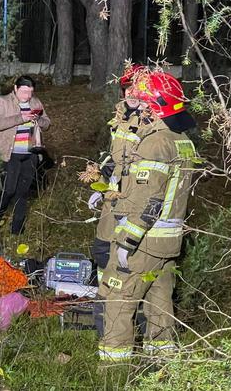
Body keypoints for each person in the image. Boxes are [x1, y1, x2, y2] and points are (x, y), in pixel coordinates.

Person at [98, 70, 197, 361]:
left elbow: (148, 200)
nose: (137, 109)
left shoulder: (155, 144)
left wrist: (127, 241)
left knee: (118, 301)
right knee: (159, 304)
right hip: (168, 243)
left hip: (144, 242)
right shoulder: (182, 141)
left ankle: (114, 371)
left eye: (142, 104)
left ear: (154, 107)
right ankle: (162, 365)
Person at [89, 65, 143, 337]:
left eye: (137, 88)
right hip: (112, 195)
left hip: (133, 200)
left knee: (127, 257)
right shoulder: (120, 117)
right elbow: (115, 158)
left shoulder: (150, 121)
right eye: (127, 88)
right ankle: (104, 311)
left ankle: (128, 319)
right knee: (101, 249)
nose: (132, 93)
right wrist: (102, 181)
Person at [0, 75, 50, 235]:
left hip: (30, 154)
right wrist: (21, 118)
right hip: (10, 155)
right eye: (24, 92)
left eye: (30, 92)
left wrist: (39, 120)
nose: (28, 96)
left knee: (22, 193)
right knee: (8, 190)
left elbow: (47, 123)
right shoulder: (3, 101)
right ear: (15, 88)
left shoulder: (35, 102)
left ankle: (17, 231)